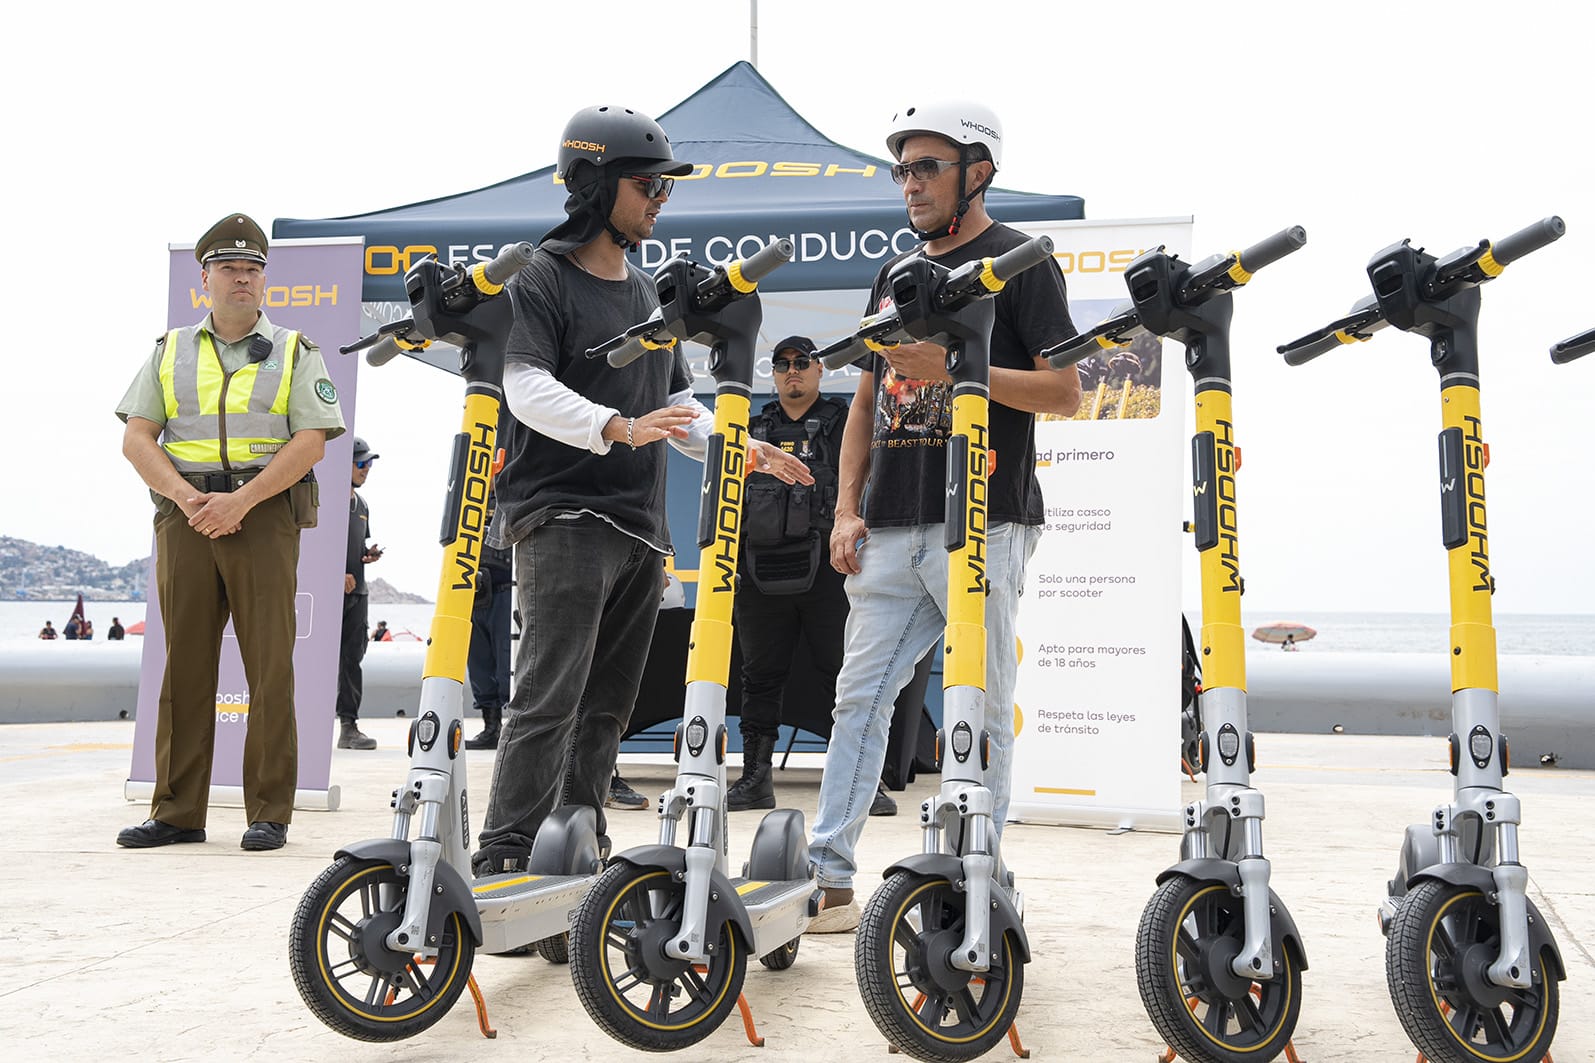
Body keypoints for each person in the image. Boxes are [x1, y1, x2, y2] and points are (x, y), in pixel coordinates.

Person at [471, 104, 810, 875]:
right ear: (594, 183)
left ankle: (572, 853)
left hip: (637, 527)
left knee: (606, 710)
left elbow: (676, 410)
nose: (661, 198)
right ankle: (504, 855)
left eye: (665, 187)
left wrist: (740, 444)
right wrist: (614, 426)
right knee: (547, 696)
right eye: (648, 184)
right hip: (560, 515)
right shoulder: (540, 277)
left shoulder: (648, 293)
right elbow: (521, 386)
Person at [805, 102, 1082, 932]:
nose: (911, 183)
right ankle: (828, 878)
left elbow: (1064, 392)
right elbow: (862, 400)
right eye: (903, 169)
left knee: (982, 707)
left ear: (978, 170)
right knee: (857, 700)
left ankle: (979, 878)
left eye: (926, 167)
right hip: (889, 522)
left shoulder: (1021, 262)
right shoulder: (892, 274)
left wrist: (961, 369)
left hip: (987, 516)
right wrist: (844, 507)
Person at [114, 212, 345, 852]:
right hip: (185, 515)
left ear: (264, 281)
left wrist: (239, 501)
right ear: (205, 280)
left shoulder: (298, 349)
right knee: (183, 663)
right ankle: (177, 813)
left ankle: (269, 811)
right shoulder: (168, 351)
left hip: (262, 513)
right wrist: (192, 499)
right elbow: (137, 438)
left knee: (269, 664)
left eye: (253, 269)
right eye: (230, 269)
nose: (242, 278)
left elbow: (311, 443)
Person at [727, 336, 894, 818]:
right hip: (761, 571)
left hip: (830, 570)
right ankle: (755, 777)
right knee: (758, 677)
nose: (792, 371)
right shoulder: (753, 429)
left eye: (802, 363)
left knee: (843, 674)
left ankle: (863, 779)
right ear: (773, 373)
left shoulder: (845, 422)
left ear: (820, 370)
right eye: (782, 365)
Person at [335, 437, 383, 750]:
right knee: (321, 662)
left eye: (369, 465)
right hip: (330, 596)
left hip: (359, 595)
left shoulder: (361, 505)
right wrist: (334, 574)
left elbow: (356, 545)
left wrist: (368, 554)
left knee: (353, 660)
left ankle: (349, 727)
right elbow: (313, 546)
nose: (366, 470)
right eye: (361, 464)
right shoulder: (326, 500)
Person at [464, 474, 513, 751]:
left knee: (507, 660)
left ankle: (510, 727)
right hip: (473, 593)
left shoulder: (510, 499)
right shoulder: (467, 504)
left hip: (505, 590)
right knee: (479, 663)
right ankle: (490, 726)